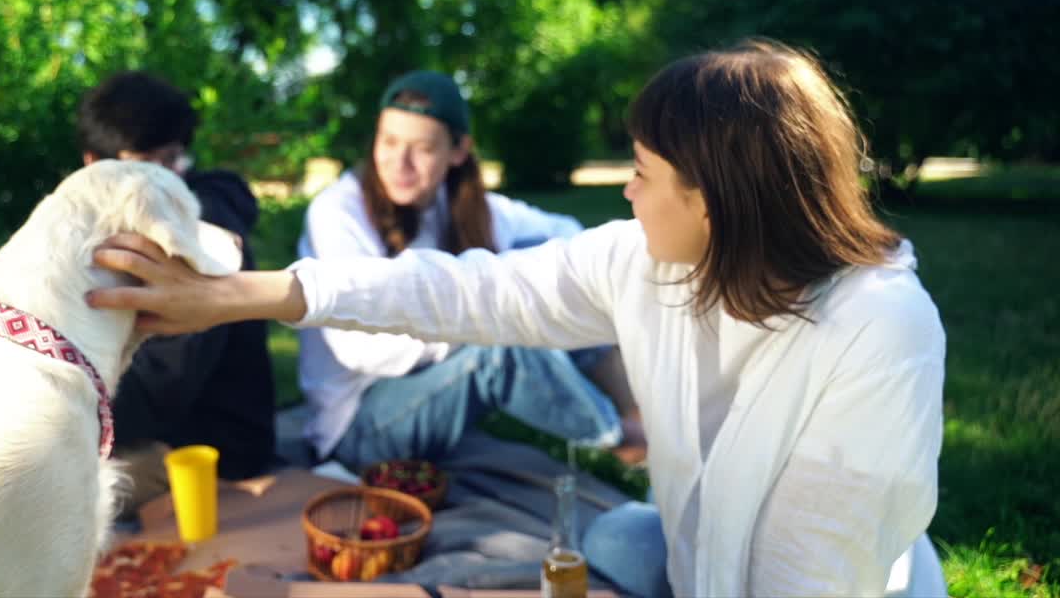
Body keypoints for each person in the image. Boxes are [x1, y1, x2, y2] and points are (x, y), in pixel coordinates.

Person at [86, 40, 946, 596]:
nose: (626, 187)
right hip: (694, 561)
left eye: (642, 170)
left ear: (716, 201)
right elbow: (470, 292)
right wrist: (241, 294)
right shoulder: (647, 259)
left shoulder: (881, 330)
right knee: (614, 537)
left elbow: (810, 578)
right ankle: (619, 447)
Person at [294, 69, 622, 469]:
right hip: (357, 424)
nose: (401, 163)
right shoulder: (338, 212)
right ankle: (622, 443)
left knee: (558, 277)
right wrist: (478, 319)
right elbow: (361, 349)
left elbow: (567, 237)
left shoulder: (461, 204)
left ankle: (647, 410)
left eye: (423, 148)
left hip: (435, 387)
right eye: (389, 141)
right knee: (498, 348)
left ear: (458, 150)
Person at [76, 70, 275, 511]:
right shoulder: (105, 226)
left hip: (208, 452)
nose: (166, 181)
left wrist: (62, 417)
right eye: (148, 166)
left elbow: (162, 388)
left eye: (172, 161)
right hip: (146, 428)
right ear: (94, 165)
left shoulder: (196, 231)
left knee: (35, 493)